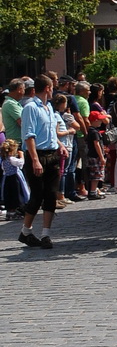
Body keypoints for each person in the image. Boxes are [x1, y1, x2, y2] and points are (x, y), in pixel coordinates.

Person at [18, 74, 61, 249]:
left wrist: (59, 145)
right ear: (48, 88)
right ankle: (25, 231)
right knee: (37, 196)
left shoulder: (49, 107)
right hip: (38, 155)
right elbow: (29, 136)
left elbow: (50, 131)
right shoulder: (31, 108)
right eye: (53, 87)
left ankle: (46, 234)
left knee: (51, 195)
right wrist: (35, 160)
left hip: (52, 154)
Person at [2, 138, 29, 219]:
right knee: (16, 193)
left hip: (7, 178)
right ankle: (17, 210)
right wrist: (21, 156)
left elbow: (4, 169)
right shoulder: (12, 159)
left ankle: (10, 211)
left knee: (8, 194)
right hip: (15, 178)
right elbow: (21, 163)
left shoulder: (4, 160)